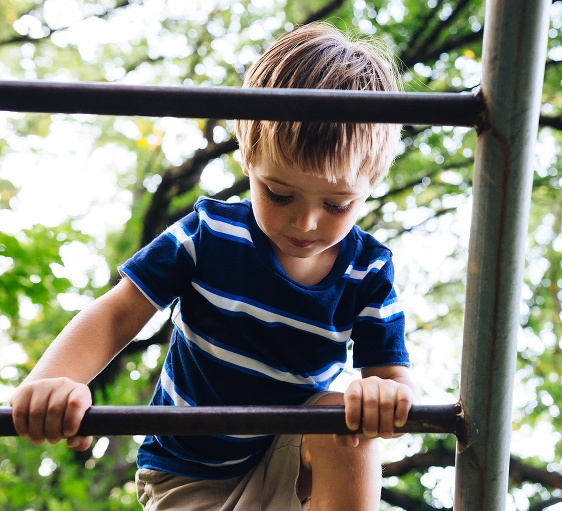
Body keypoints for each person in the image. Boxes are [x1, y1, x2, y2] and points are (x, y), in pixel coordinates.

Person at [9, 22, 418, 511]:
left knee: (342, 423)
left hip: (287, 464)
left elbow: (393, 381)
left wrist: (381, 397)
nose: (305, 222)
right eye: (280, 193)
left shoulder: (366, 272)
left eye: (337, 205)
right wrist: (52, 383)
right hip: (188, 472)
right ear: (248, 158)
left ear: (370, 183)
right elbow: (120, 312)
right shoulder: (208, 236)